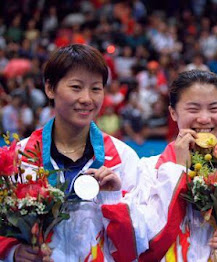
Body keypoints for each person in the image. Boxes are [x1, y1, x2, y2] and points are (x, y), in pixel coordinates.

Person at [0, 44, 152, 261]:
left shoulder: (123, 159)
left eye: (96, 89)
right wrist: (12, 252)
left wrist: (114, 199)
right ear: (50, 88)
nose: (87, 99)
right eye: (76, 87)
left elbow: (136, 248)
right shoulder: (20, 157)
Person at [122, 70, 217, 261]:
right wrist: (176, 171)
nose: (205, 119)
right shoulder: (147, 170)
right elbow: (136, 238)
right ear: (173, 113)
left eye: (214, 109)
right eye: (193, 109)